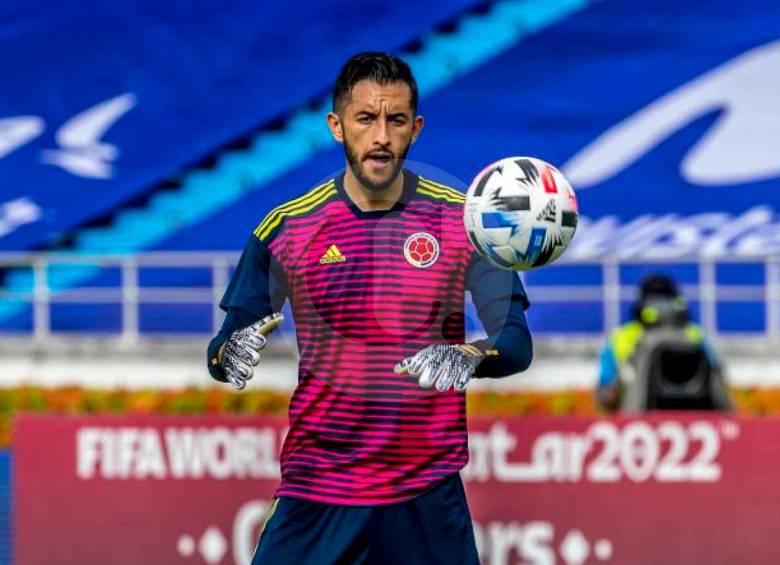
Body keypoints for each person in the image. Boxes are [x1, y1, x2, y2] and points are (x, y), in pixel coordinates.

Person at [206, 52, 533, 564]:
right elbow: (226, 344)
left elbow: (514, 338)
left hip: (425, 494)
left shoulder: (465, 222)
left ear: (416, 128)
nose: (381, 135)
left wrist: (474, 357)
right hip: (318, 490)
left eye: (396, 119)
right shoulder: (287, 229)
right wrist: (229, 353)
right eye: (366, 118)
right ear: (337, 126)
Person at [597, 273, 731, 412]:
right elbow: (606, 388)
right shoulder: (695, 334)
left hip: (669, 415)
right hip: (646, 413)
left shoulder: (695, 335)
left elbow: (717, 377)